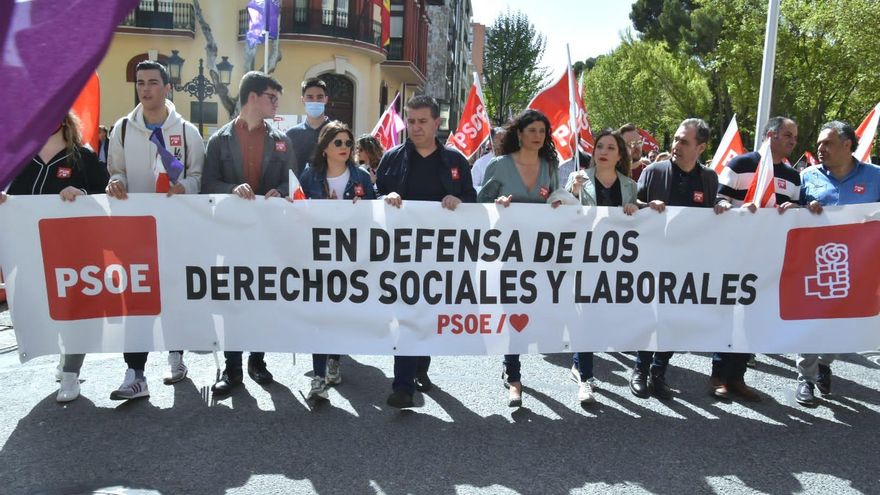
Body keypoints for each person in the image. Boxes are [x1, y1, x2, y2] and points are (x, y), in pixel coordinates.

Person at [105, 60, 205, 401]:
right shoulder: (122, 129)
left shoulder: (187, 132)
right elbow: (116, 170)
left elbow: (198, 177)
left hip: (175, 231)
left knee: (174, 295)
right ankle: (135, 374)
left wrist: (184, 187)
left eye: (152, 82)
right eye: (140, 83)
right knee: (136, 301)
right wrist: (116, 182)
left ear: (167, 88)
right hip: (135, 232)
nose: (145, 89)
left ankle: (176, 356)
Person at [0, 111, 109, 402]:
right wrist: (5, 200)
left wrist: (82, 192)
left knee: (75, 309)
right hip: (33, 251)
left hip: (74, 252)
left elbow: (105, 194)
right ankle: (64, 357)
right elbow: (15, 199)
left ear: (62, 119)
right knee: (47, 309)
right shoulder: (24, 160)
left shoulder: (82, 157)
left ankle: (71, 373)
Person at [377, 95, 476, 409]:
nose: (415, 127)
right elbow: (375, 197)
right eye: (411, 121)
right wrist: (385, 198)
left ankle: (420, 365)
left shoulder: (455, 161)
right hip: (401, 254)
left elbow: (471, 200)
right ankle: (403, 387)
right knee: (406, 315)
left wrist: (459, 201)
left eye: (422, 121)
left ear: (436, 123)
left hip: (441, 256)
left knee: (428, 315)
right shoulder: (392, 158)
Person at [202, 70, 296, 395]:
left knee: (263, 299)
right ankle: (232, 370)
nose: (276, 104)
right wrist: (231, 189)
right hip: (232, 235)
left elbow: (293, 182)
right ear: (253, 97)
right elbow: (207, 185)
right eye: (272, 97)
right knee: (233, 303)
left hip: (268, 235)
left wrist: (280, 191)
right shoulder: (220, 140)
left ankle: (258, 361)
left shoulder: (282, 141)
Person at [789, 120, 880, 406]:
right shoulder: (807, 177)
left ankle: (824, 363)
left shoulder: (876, 177)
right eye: (819, 143)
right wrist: (803, 208)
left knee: (842, 321)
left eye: (827, 143)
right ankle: (805, 378)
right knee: (811, 319)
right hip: (815, 264)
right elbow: (788, 213)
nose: (820, 148)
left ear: (847, 144)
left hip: (859, 266)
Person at [711, 116, 802, 402]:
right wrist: (732, 208)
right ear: (771, 135)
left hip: (768, 257)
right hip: (734, 252)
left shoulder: (793, 176)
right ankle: (718, 375)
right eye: (788, 135)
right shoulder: (740, 164)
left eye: (795, 137)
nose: (793, 141)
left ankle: (737, 377)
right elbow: (719, 199)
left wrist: (794, 208)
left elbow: (795, 212)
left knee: (753, 316)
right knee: (729, 313)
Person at [477, 109, 560, 408]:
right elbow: (480, 203)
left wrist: (559, 201)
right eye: (532, 130)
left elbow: (554, 197)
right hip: (507, 251)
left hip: (539, 252)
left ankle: (511, 365)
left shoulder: (549, 166)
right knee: (514, 310)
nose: (538, 136)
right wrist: (496, 203)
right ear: (520, 133)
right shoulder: (499, 165)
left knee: (530, 312)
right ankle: (514, 376)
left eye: (542, 131)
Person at [631, 118, 718, 400]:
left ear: (700, 148)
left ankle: (659, 371)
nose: (676, 145)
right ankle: (640, 369)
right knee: (650, 316)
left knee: (674, 319)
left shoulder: (709, 178)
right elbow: (632, 208)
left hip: (688, 263)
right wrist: (646, 205)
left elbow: (712, 212)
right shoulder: (654, 172)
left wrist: (722, 206)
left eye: (684, 141)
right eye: (676, 139)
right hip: (653, 259)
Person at [298, 121, 376, 401]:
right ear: (325, 147)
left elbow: (375, 214)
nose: (345, 147)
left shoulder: (361, 177)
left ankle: (334, 360)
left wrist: (366, 209)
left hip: (350, 257)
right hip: (318, 257)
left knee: (341, 314)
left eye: (348, 143)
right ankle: (318, 377)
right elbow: (296, 211)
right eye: (338, 142)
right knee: (320, 316)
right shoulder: (310, 176)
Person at [564, 130, 639, 403]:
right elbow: (563, 212)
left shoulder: (629, 185)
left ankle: (577, 362)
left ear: (620, 156)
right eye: (599, 147)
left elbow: (635, 218)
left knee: (602, 317)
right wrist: (573, 192)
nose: (603, 152)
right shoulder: (578, 178)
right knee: (586, 316)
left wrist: (636, 208)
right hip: (584, 258)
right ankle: (586, 379)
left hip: (614, 262)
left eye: (610, 148)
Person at [286, 78, 330, 177]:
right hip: (297, 186)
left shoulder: (337, 133)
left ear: (326, 100)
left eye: (319, 97)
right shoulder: (291, 134)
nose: (315, 101)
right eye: (310, 97)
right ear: (302, 100)